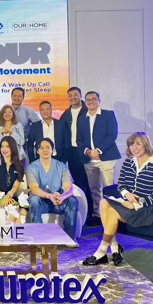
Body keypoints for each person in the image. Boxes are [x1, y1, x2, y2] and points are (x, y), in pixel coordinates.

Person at [83, 132, 153, 266]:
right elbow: (121, 185)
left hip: (145, 209)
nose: (134, 147)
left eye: (138, 144)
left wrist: (136, 204)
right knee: (104, 203)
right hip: (127, 202)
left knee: (111, 213)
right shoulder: (128, 163)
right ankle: (114, 248)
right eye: (131, 144)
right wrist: (127, 195)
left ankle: (102, 251)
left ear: (146, 145)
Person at [76, 91, 121, 226]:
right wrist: (88, 151)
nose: (90, 101)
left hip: (105, 158)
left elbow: (112, 135)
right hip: (89, 159)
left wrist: (98, 150)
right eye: (88, 99)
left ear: (99, 101)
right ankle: (97, 214)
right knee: (94, 189)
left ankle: (112, 215)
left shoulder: (108, 115)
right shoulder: (82, 118)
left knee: (108, 188)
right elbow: (79, 139)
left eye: (93, 99)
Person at [27, 138, 78, 241]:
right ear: (37, 151)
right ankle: (39, 238)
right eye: (41, 148)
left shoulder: (61, 166)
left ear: (53, 150)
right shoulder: (32, 167)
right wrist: (49, 196)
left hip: (58, 200)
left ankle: (69, 238)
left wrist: (62, 197)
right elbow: (34, 189)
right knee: (34, 200)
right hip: (42, 201)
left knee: (72, 201)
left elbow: (69, 187)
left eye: (48, 147)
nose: (45, 150)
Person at [60, 87, 93, 222]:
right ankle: (82, 212)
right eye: (70, 95)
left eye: (75, 95)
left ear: (80, 96)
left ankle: (93, 213)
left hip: (86, 150)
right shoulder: (66, 114)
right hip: (72, 152)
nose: (73, 97)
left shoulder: (88, 111)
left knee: (90, 182)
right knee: (78, 183)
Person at [0, 136, 26, 221]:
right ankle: (8, 228)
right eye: (2, 146)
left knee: (22, 211)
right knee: (13, 210)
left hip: (10, 196)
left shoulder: (19, 166)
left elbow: (15, 186)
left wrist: (8, 196)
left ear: (13, 148)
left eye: (7, 146)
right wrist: (3, 197)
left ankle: (13, 229)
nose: (4, 149)